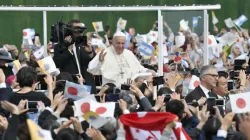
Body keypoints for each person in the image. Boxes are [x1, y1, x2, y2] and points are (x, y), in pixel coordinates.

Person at [87, 31, 156, 87]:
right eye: (118, 43)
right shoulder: (104, 53)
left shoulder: (129, 53)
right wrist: (100, 61)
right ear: (112, 42)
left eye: (123, 43)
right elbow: (91, 70)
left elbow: (139, 69)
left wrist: (148, 71)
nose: (120, 46)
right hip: (111, 93)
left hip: (130, 92)